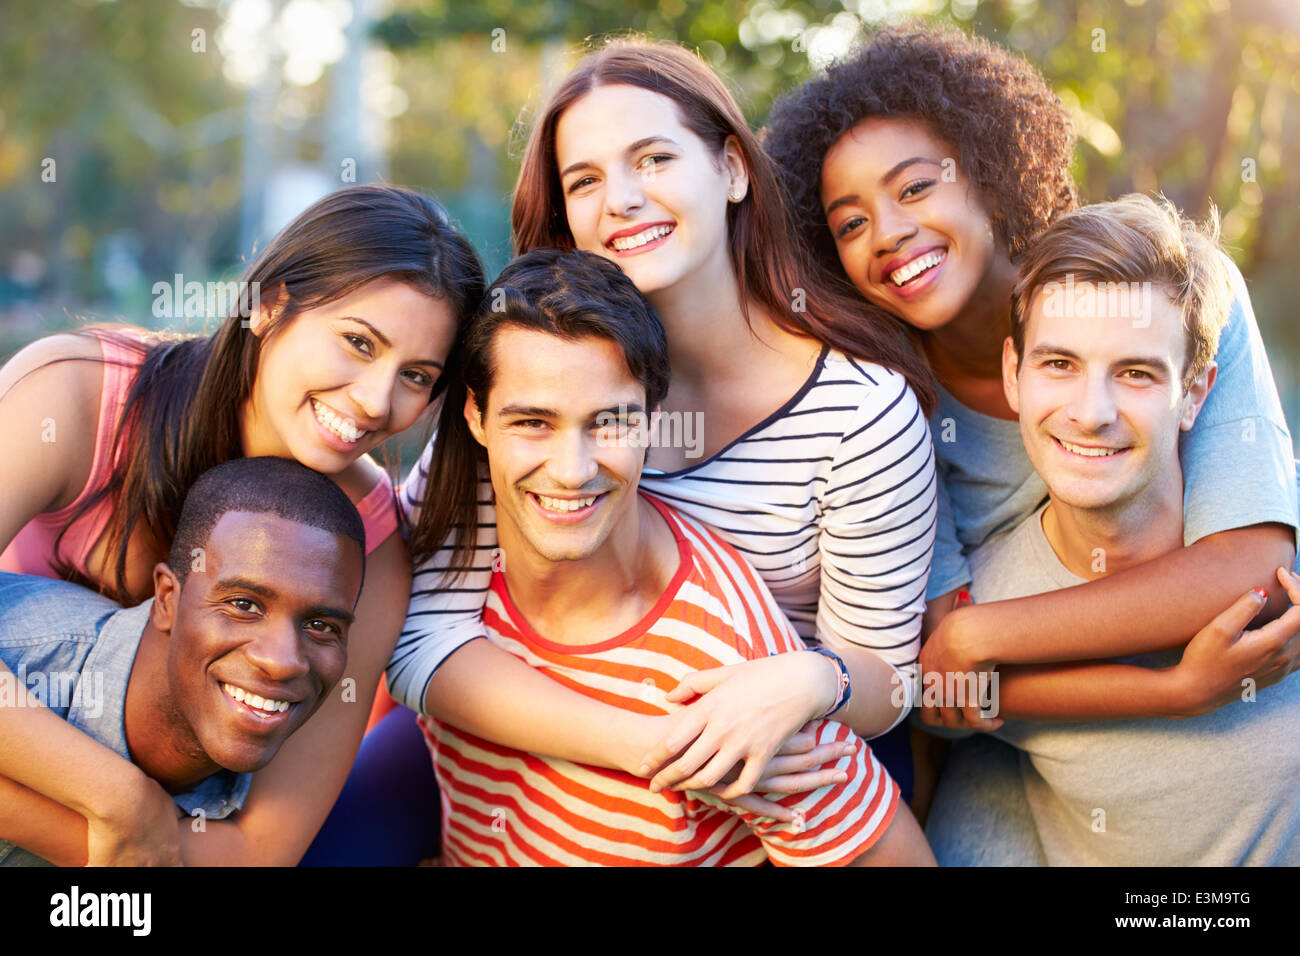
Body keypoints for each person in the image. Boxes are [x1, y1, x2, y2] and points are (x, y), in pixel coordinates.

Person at [307, 38, 940, 865]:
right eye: (586, 181)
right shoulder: (544, 372)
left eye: (654, 158)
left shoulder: (860, 413)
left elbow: (888, 680)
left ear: (733, 170)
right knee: (326, 843)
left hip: (786, 745)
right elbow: (426, 631)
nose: (624, 200)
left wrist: (808, 683)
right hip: (551, 712)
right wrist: (644, 744)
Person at [761, 25, 1298, 751]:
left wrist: (986, 630)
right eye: (850, 223)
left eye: (916, 187)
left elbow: (1248, 567)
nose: (886, 232)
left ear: (987, 168)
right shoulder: (883, 407)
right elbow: (941, 679)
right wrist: (1171, 690)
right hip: (1011, 770)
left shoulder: (1171, 293)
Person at [0, 184, 485, 865]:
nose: (376, 401)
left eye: (416, 376)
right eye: (357, 341)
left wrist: (133, 831)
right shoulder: (77, 396)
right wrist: (112, 796)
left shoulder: (371, 551)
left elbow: (261, 848)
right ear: (269, 303)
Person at [421, 245, 933, 865]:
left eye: (608, 422)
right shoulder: (453, 553)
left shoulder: (727, 668)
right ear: (475, 416)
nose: (571, 470)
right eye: (533, 423)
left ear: (653, 420)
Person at [922, 195, 1300, 865]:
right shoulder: (984, 614)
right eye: (1059, 365)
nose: (1091, 413)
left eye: (1134, 373)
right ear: (1014, 374)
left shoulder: (1277, 555)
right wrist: (1174, 691)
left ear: (1195, 394)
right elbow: (925, 701)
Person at [0, 457, 367, 866]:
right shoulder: (23, 655)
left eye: (320, 625)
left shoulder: (253, 807)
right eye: (243, 604)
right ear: (167, 599)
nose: (283, 662)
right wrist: (118, 796)